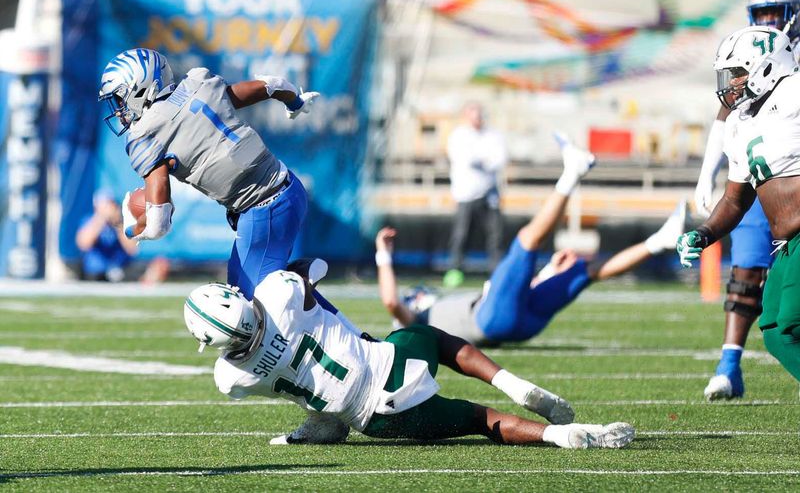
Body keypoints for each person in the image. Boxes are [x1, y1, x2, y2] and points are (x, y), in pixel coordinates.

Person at [182, 276, 635, 448]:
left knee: (480, 420)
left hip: (374, 420)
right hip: (389, 364)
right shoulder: (277, 293)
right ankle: (514, 383)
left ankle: (558, 436)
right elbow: (307, 272)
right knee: (432, 338)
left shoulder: (230, 377)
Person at [376, 137, 685, 344]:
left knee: (585, 271)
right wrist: (383, 256)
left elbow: (513, 294)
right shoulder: (412, 323)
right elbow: (391, 301)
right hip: (494, 319)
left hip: (516, 322)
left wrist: (549, 272)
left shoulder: (437, 313)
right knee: (526, 240)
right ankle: (572, 173)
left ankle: (661, 240)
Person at [98, 48, 318, 299]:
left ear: (140, 88)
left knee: (250, 308)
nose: (119, 110)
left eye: (120, 99)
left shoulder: (146, 133)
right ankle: (300, 283)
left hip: (264, 208)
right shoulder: (199, 84)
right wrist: (295, 102)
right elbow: (272, 84)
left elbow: (158, 223)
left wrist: (129, 226)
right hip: (288, 188)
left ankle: (301, 283)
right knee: (247, 295)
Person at [693, 0, 800, 400]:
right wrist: (702, 230)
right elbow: (735, 197)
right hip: (782, 230)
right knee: (774, 328)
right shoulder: (742, 116)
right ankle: (729, 364)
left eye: (736, 74)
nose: (729, 83)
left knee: (788, 324)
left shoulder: (792, 89)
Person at [443, 101, 508, 288]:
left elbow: (499, 159)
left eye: (479, 115)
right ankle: (455, 269)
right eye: (473, 115)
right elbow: (465, 159)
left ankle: (497, 271)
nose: (477, 119)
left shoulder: (494, 135)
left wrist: (483, 161)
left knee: (496, 235)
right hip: (466, 194)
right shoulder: (459, 135)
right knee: (461, 234)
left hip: (490, 194)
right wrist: (483, 160)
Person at [75, 189, 138, 282]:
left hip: (121, 271)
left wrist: (118, 223)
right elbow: (84, 244)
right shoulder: (88, 221)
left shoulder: (124, 223)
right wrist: (101, 219)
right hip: (95, 273)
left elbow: (133, 249)